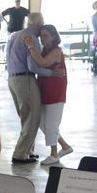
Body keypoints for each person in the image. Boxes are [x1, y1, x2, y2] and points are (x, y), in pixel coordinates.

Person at [5, 13, 60, 164]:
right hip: (25, 79)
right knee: (32, 117)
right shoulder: (32, 39)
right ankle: (20, 154)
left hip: (12, 79)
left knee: (25, 116)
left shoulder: (15, 35)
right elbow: (32, 66)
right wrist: (51, 73)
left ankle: (28, 150)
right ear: (39, 24)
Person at [24, 24, 73, 166]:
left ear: (54, 37)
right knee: (41, 122)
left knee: (51, 123)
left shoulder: (56, 51)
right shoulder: (45, 49)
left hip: (55, 91)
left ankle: (54, 154)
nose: (42, 39)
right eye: (41, 36)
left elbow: (42, 62)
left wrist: (30, 46)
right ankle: (64, 146)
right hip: (45, 89)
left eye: (45, 36)